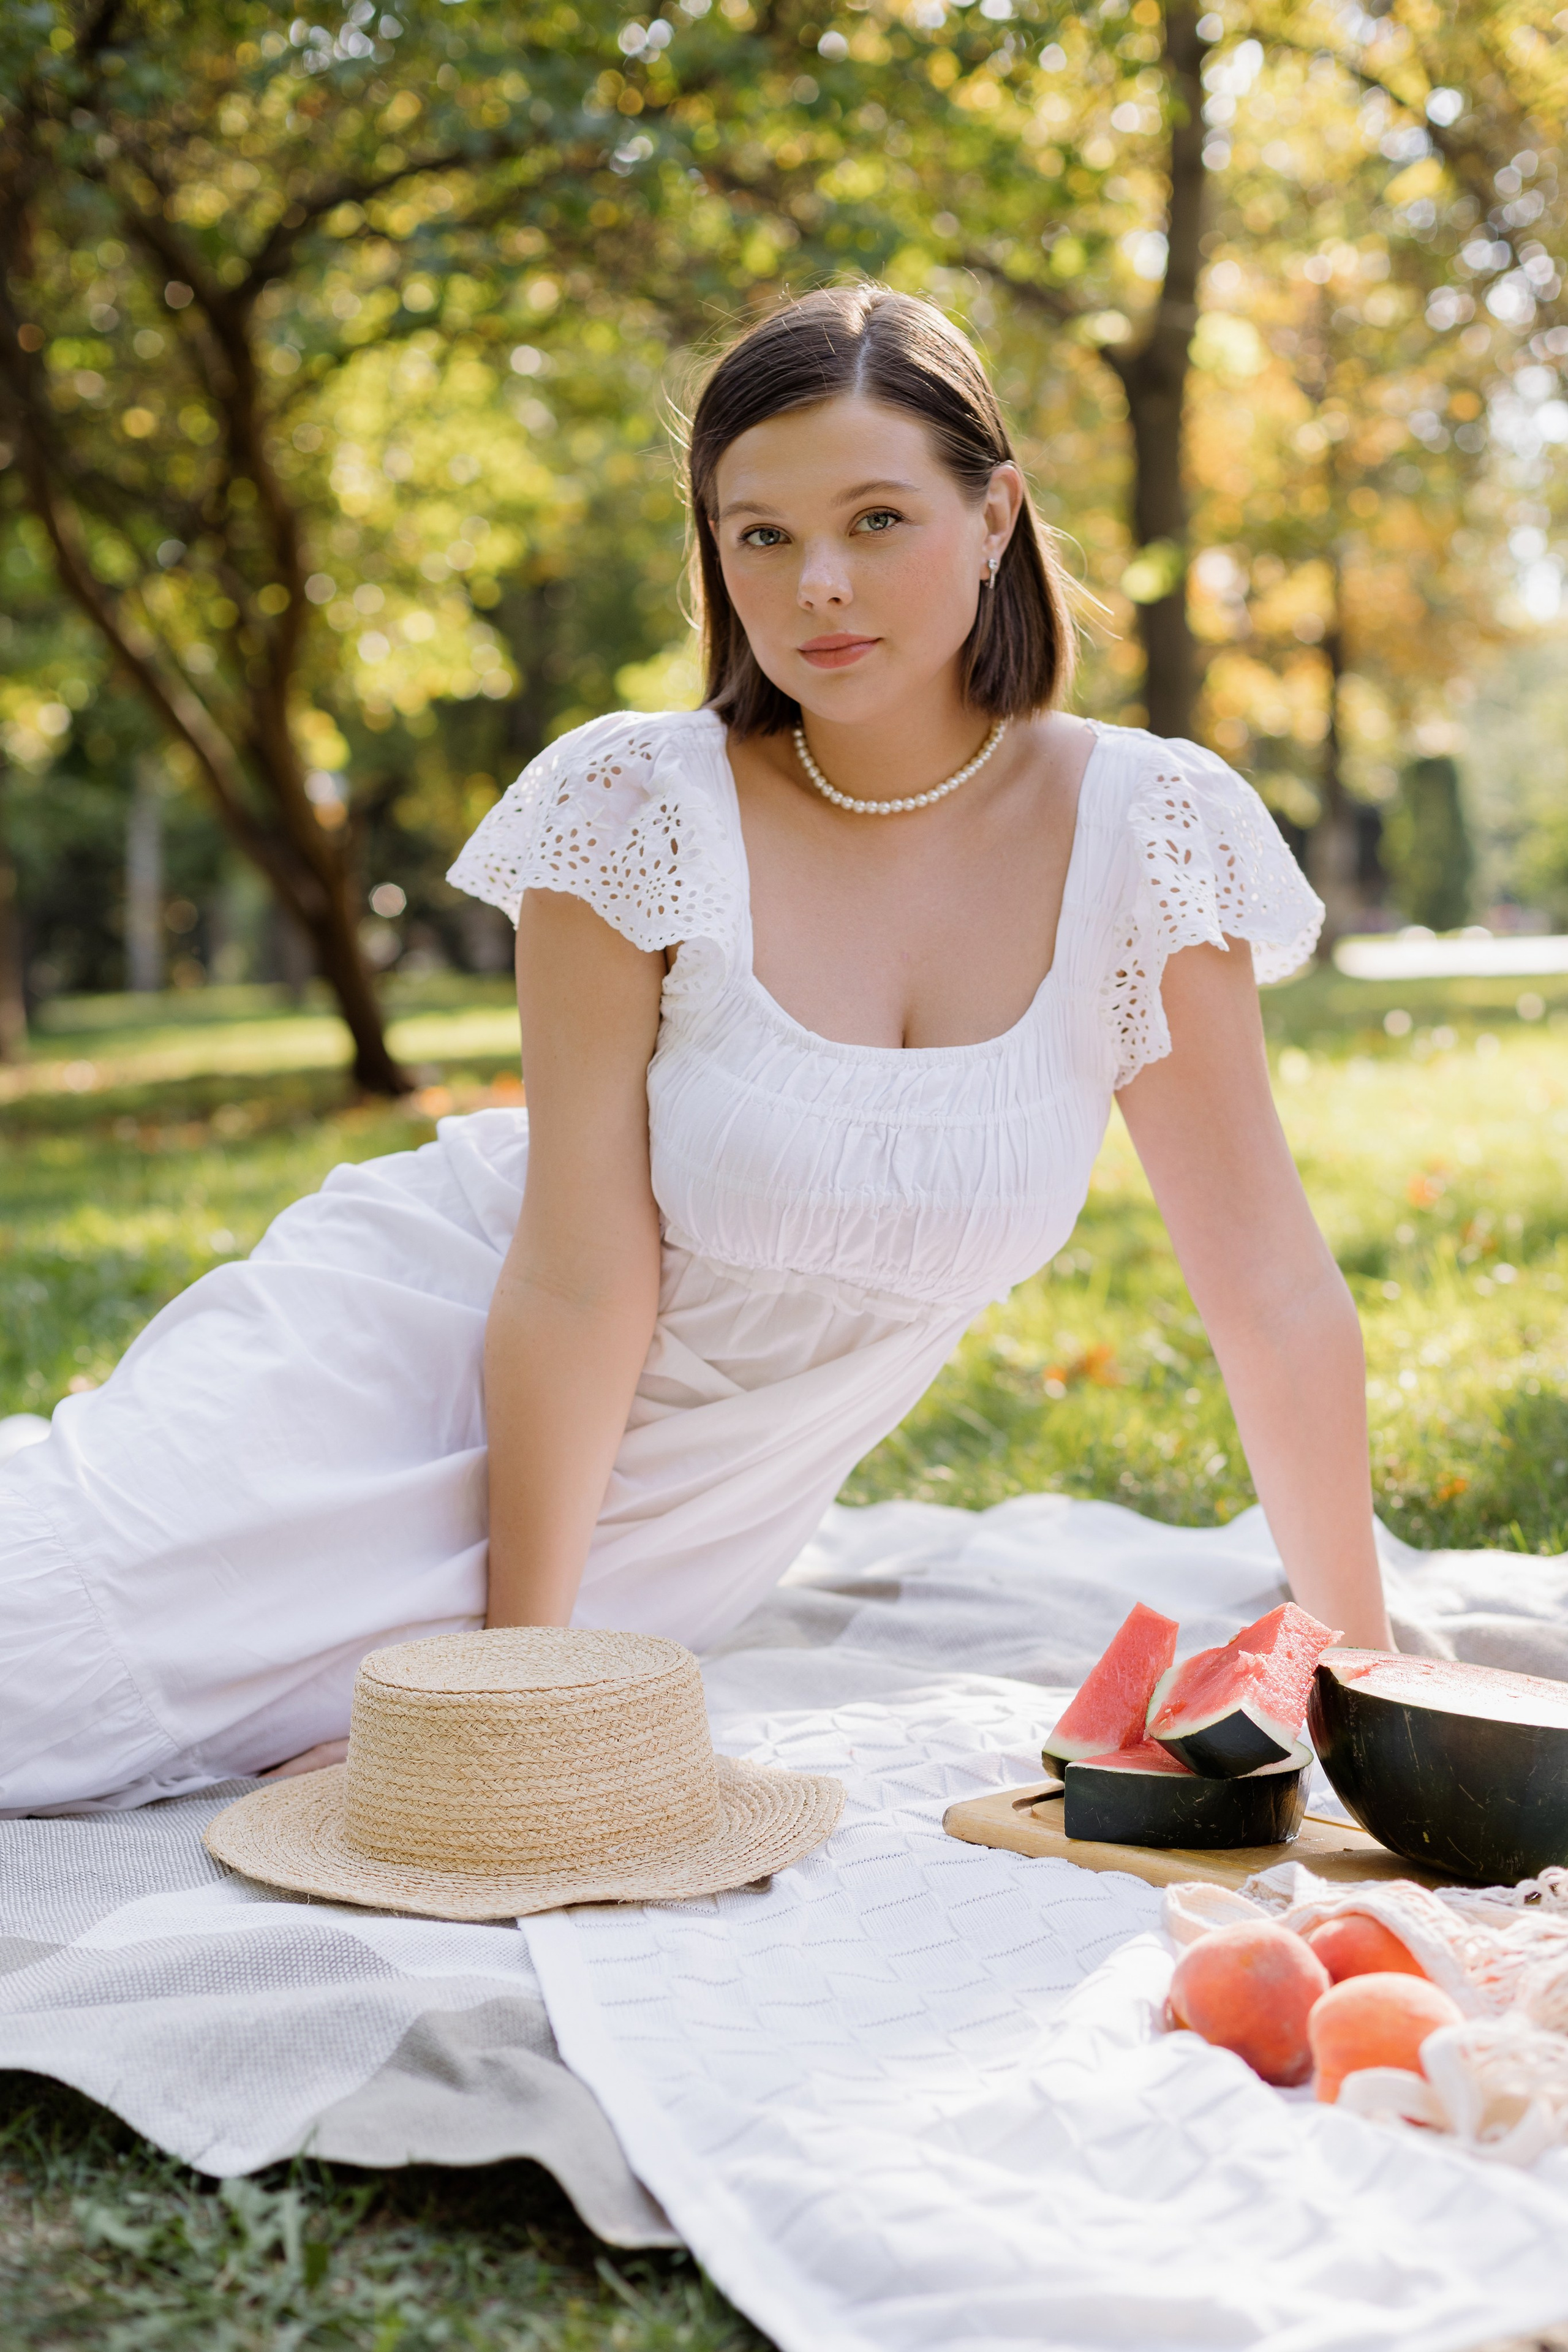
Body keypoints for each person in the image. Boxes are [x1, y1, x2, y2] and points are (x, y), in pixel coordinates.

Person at [0, 285, 1393, 1818]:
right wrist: (518, 1687)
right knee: (45, 1677)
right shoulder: (632, 804)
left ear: (993, 515)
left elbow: (1264, 1284)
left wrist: (1370, 1682)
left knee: (221, 1752)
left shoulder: (1150, 830)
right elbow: (575, 1268)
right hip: (433, 1372)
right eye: (760, 537)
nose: (816, 589)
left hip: (686, 1518)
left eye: (876, 520)